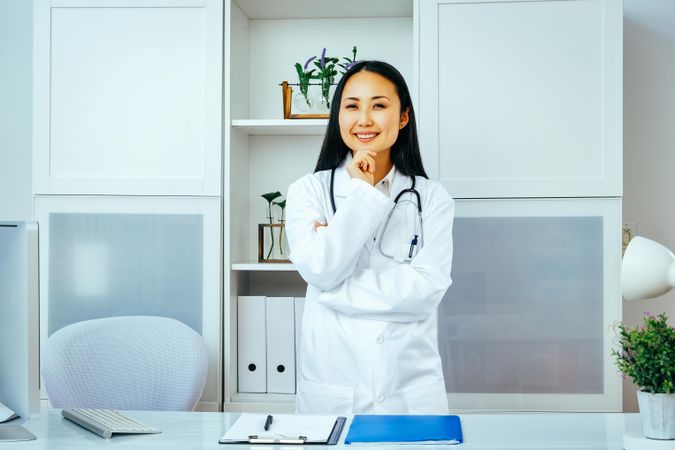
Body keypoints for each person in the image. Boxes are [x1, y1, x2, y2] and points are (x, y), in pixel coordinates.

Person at [285, 60, 454, 415]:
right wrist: (360, 196)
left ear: (403, 117)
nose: (364, 119)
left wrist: (332, 290)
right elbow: (319, 271)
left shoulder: (433, 198)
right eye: (352, 106)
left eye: (379, 105)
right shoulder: (308, 191)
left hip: (409, 394)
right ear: (338, 117)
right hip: (333, 394)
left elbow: (426, 292)